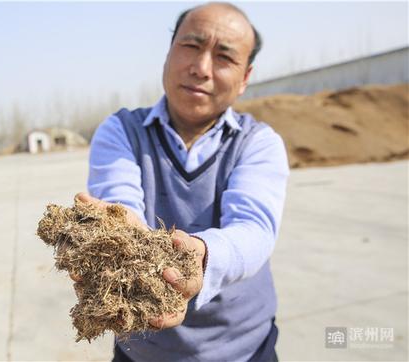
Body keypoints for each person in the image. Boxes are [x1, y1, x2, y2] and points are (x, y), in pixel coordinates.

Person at [74, 2, 289, 361]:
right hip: (144, 349)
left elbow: (254, 230)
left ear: (245, 78)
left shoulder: (258, 142)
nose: (201, 68)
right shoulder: (121, 131)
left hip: (243, 348)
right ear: (169, 53)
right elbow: (121, 205)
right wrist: (118, 236)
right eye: (191, 46)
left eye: (224, 57)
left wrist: (201, 259)